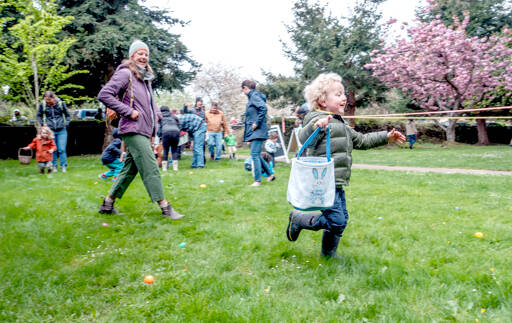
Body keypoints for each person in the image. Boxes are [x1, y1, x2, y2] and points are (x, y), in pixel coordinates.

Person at [286, 73, 405, 259]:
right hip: (322, 181)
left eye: (344, 94)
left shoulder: (340, 124)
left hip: (337, 181)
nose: (344, 98)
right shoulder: (315, 118)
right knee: (337, 220)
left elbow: (363, 140)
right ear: (322, 101)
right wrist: (317, 126)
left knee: (341, 220)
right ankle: (299, 219)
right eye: (338, 94)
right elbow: (303, 138)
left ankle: (328, 255)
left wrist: (386, 137)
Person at [97, 39, 185, 220]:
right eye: (140, 53)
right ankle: (165, 207)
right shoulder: (126, 73)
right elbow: (104, 94)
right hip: (132, 128)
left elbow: (150, 107)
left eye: (146, 54)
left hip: (144, 130)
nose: (144, 57)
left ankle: (107, 203)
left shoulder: (145, 79)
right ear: (132, 56)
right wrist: (129, 111)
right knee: (150, 166)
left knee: (129, 169)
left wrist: (155, 125)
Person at [242, 79, 275, 186]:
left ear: (245, 88)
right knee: (256, 154)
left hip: (258, 130)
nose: (243, 92)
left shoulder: (254, 96)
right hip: (257, 131)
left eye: (243, 90)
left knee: (254, 155)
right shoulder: (255, 96)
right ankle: (270, 174)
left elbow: (263, 108)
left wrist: (256, 122)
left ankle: (257, 181)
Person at [36, 91, 70, 173]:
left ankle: (63, 166)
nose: (48, 103)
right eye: (46, 101)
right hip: (50, 130)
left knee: (61, 149)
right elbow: (38, 115)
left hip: (62, 129)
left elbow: (67, 115)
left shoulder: (61, 104)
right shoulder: (43, 105)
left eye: (49, 101)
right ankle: (53, 166)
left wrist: (66, 123)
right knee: (52, 149)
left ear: (53, 98)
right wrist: (42, 124)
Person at [158, 105, 180, 171]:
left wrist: (160, 137)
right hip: (176, 132)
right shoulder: (174, 117)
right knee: (174, 150)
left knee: (165, 150)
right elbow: (179, 126)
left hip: (166, 133)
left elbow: (159, 129)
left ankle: (164, 168)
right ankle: (175, 168)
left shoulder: (160, 117)